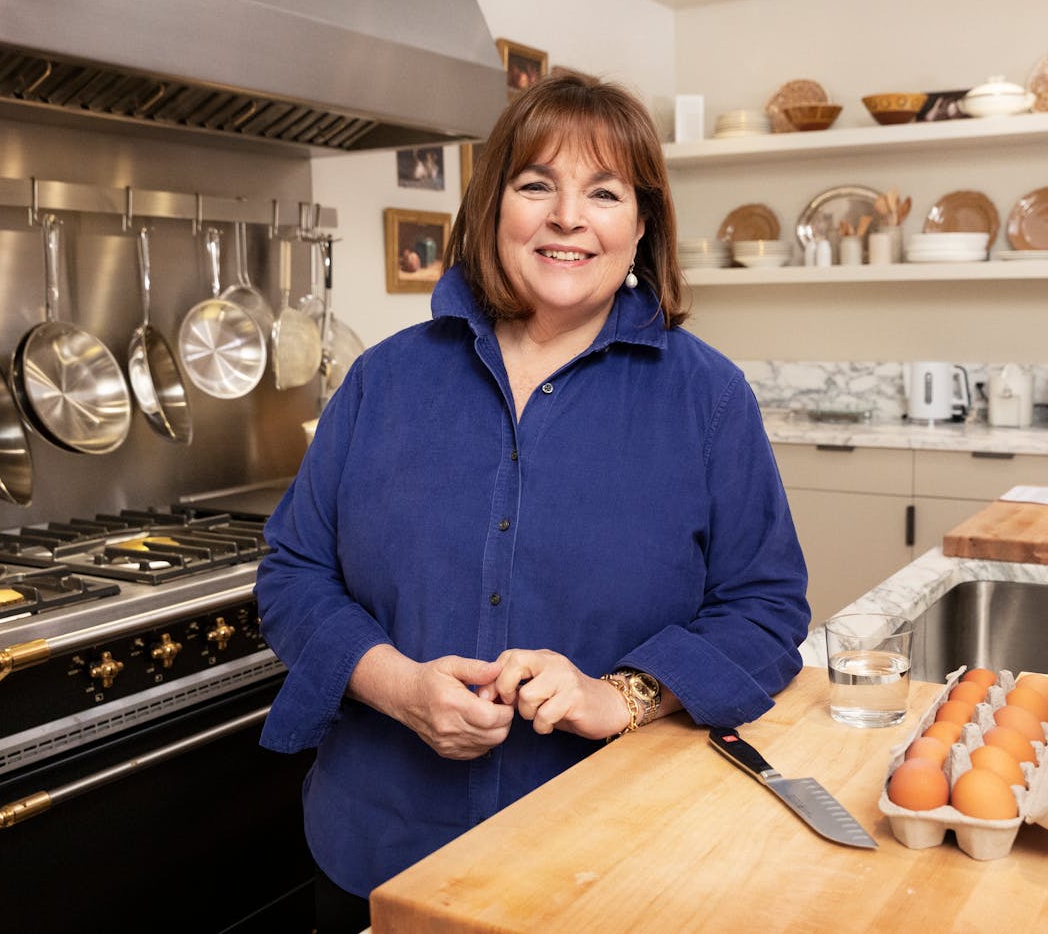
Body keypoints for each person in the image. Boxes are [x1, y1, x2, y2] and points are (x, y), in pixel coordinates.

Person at [256, 73, 810, 933]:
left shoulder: (708, 398)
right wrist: (397, 685)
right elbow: (293, 573)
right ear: (493, 207)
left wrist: (620, 694)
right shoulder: (384, 380)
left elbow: (766, 609)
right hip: (381, 853)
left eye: (603, 191)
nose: (567, 217)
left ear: (642, 223)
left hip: (610, 861)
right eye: (536, 185)